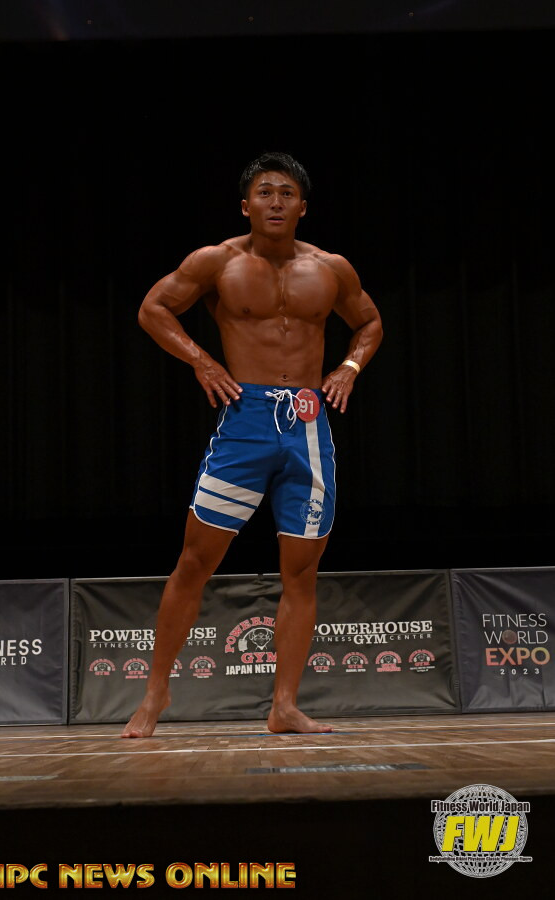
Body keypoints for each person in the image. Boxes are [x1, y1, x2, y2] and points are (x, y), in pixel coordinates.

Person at [122, 151, 383, 737]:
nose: (276, 203)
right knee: (195, 561)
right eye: (265, 193)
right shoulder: (218, 261)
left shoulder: (331, 268)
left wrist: (347, 368)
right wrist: (201, 360)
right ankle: (155, 694)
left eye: (287, 193)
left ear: (303, 207)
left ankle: (284, 706)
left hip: (308, 425)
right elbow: (153, 308)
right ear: (246, 205)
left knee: (302, 571)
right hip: (246, 421)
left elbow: (370, 323)